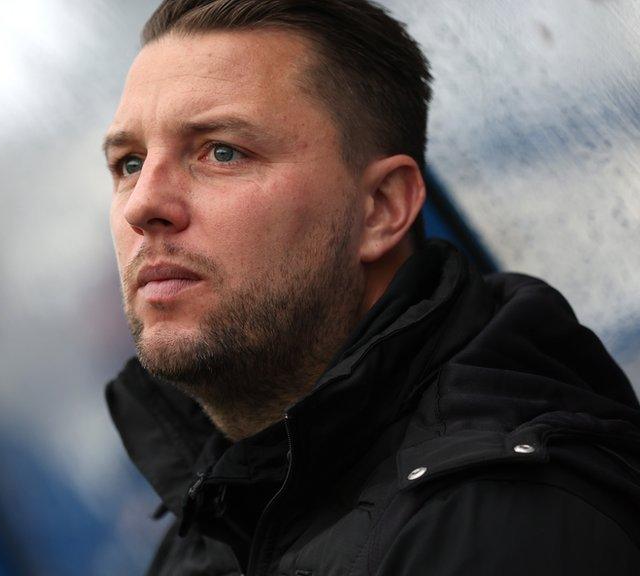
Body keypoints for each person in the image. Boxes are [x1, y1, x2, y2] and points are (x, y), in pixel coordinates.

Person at [101, 1, 640, 574]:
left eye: (222, 152)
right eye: (130, 163)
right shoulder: (222, 506)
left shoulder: (506, 526)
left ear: (381, 209)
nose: (143, 206)